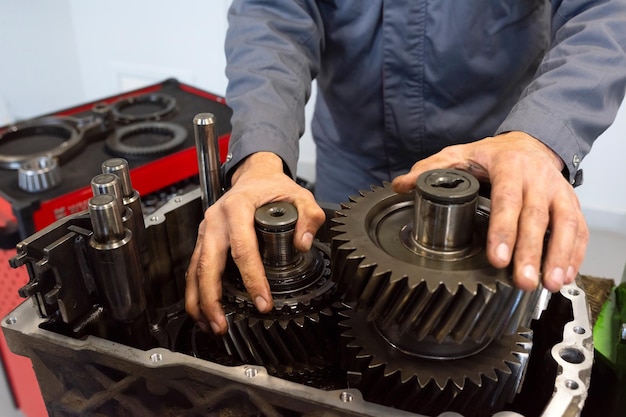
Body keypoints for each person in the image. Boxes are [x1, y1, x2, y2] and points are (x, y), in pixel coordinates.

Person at [186, 0, 626, 335]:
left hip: (500, 166)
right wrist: (260, 158)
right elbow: (273, 12)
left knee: (480, 331)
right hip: (352, 165)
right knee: (349, 319)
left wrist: (538, 138)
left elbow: (605, 11)